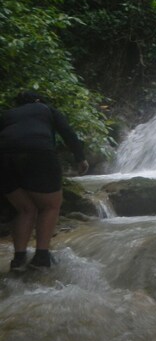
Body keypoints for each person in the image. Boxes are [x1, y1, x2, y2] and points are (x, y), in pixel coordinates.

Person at [0, 91, 89, 271]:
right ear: (39, 100)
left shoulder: (8, 115)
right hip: (39, 154)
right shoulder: (46, 109)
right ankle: (41, 257)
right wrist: (80, 158)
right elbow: (67, 132)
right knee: (50, 206)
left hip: (4, 159)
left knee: (25, 209)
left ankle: (18, 260)